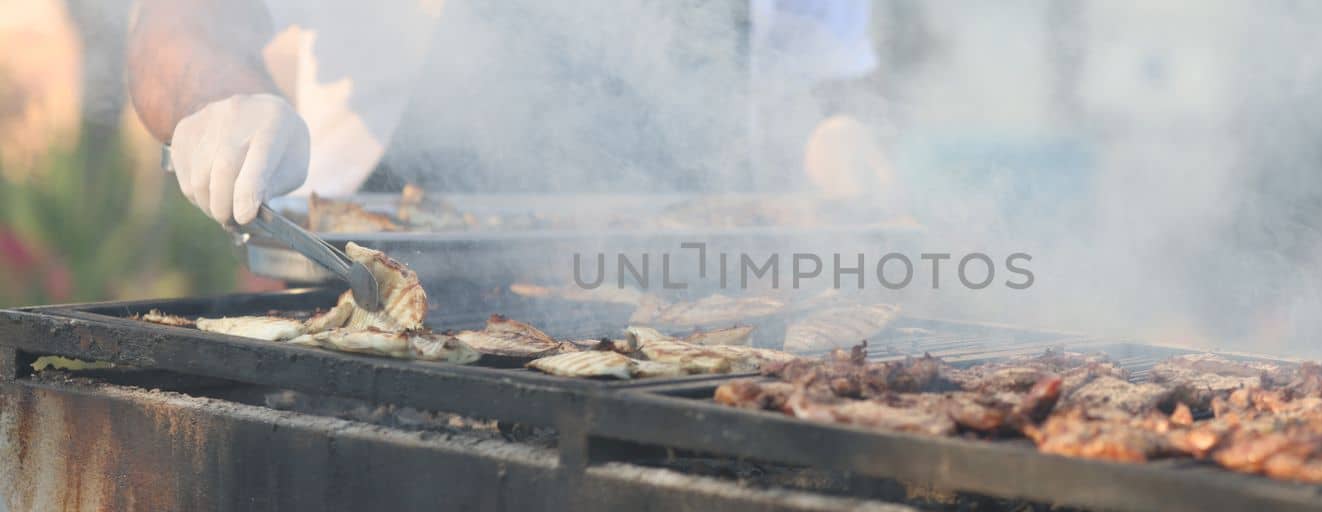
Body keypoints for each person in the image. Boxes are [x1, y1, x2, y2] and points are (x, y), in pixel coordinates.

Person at [127, 0, 891, 226]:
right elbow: (183, 21)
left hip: (702, 325)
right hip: (390, 308)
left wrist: (835, 143)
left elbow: (816, 83)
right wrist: (215, 100)